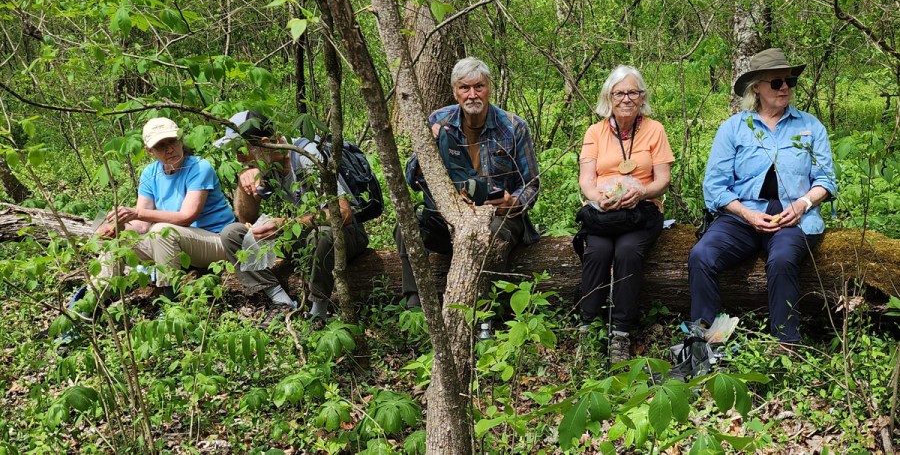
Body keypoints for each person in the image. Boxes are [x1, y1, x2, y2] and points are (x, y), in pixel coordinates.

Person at [689, 48, 836, 344]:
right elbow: (715, 186)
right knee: (701, 255)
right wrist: (747, 214)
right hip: (741, 216)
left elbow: (826, 180)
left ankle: (786, 343)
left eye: (789, 81)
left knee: (782, 259)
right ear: (756, 87)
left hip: (791, 217)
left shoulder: (810, 126)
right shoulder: (734, 128)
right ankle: (707, 342)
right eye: (776, 82)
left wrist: (803, 203)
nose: (785, 88)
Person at [395, 57, 540, 308]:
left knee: (489, 234)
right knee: (408, 226)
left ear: (489, 89)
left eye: (479, 87)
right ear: (455, 92)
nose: (472, 95)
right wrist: (429, 147)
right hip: (449, 216)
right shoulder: (440, 120)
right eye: (465, 88)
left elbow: (532, 184)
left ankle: (485, 312)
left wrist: (513, 202)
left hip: (498, 216)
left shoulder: (513, 127)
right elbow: (412, 177)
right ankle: (415, 306)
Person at [215, 111, 369, 322]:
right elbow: (246, 218)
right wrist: (244, 182)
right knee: (232, 234)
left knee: (324, 234)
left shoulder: (306, 155)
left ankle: (318, 311)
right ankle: (281, 301)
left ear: (264, 144)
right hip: (305, 237)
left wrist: (286, 225)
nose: (238, 158)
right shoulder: (267, 165)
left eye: (241, 150)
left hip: (345, 235)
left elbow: (343, 213)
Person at [576, 65, 674, 364]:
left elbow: (663, 180)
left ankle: (620, 332)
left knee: (628, 251)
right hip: (604, 213)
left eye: (633, 92)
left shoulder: (655, 129)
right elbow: (586, 180)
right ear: (609, 97)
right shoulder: (595, 132)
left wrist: (641, 193)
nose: (626, 98)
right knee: (598, 252)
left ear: (642, 97)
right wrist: (599, 199)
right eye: (619, 93)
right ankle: (587, 327)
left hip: (641, 211)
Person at [95, 117, 235, 301]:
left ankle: (170, 300)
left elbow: (187, 216)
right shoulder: (150, 173)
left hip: (216, 241)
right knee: (117, 243)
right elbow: (142, 225)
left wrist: (137, 213)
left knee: (162, 231)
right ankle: (94, 301)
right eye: (161, 146)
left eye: (172, 141)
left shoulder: (200, 167)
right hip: (177, 243)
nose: (170, 149)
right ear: (149, 150)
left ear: (181, 140)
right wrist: (116, 227)